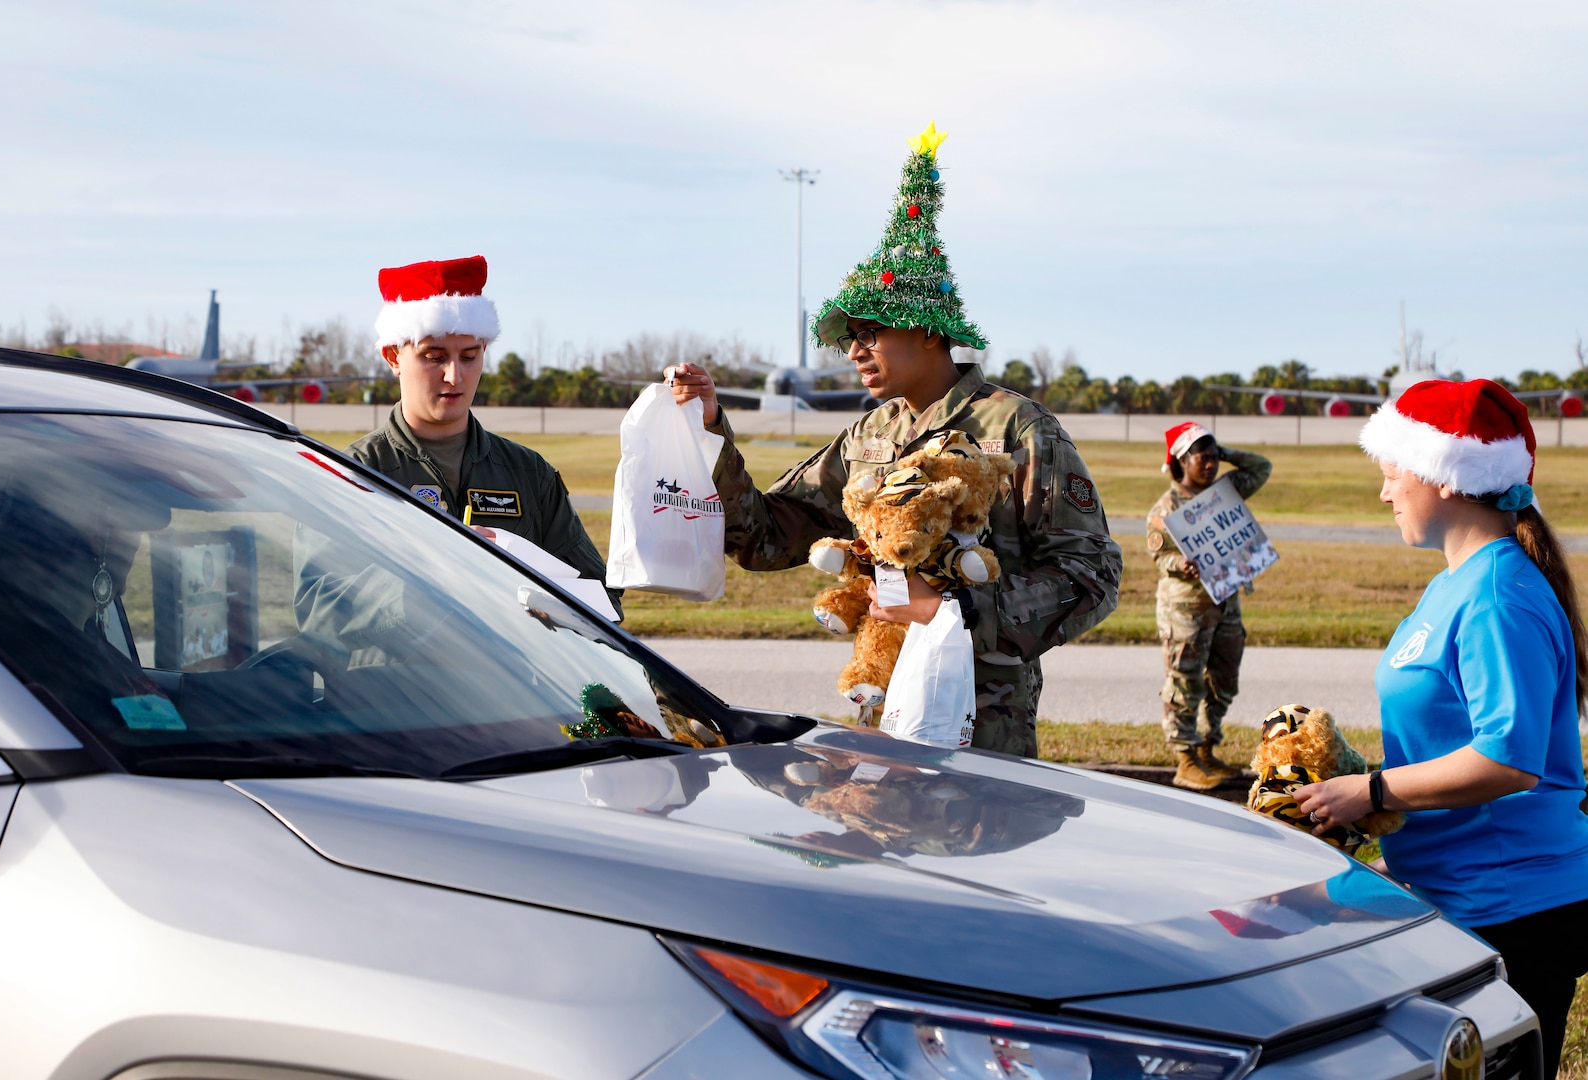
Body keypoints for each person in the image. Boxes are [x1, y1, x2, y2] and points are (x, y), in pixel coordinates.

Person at [668, 125, 1122, 758]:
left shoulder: (1017, 430)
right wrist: (712, 429)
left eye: (870, 332)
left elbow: (1092, 572)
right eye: (849, 335)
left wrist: (955, 611)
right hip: (880, 707)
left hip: (981, 726)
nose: (853, 350)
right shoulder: (870, 436)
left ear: (928, 332)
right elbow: (768, 532)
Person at [1294, 379, 1588, 1079]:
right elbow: (1447, 742)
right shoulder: (1457, 582)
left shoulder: (1497, 595)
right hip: (1457, 888)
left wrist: (1370, 791)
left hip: (1511, 903)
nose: (1385, 492)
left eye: (1393, 473)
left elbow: (1508, 763)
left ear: (1445, 477)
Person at [348, 255, 618, 616]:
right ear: (393, 357)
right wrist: (433, 571)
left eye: (470, 357)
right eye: (434, 357)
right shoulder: (354, 474)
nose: (454, 376)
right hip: (396, 673)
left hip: (511, 672)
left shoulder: (528, 474)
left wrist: (544, 605)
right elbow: (318, 609)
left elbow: (601, 600)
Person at [1146, 423, 1272, 791]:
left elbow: (1261, 468)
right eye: (1203, 457)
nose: (1212, 464)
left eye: (1215, 457)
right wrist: (1179, 564)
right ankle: (1186, 759)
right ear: (1181, 460)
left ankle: (1207, 747)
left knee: (1224, 679)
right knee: (1185, 681)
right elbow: (1159, 554)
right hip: (1186, 609)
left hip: (1225, 602)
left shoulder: (1224, 493)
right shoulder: (1165, 508)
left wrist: (1227, 450)